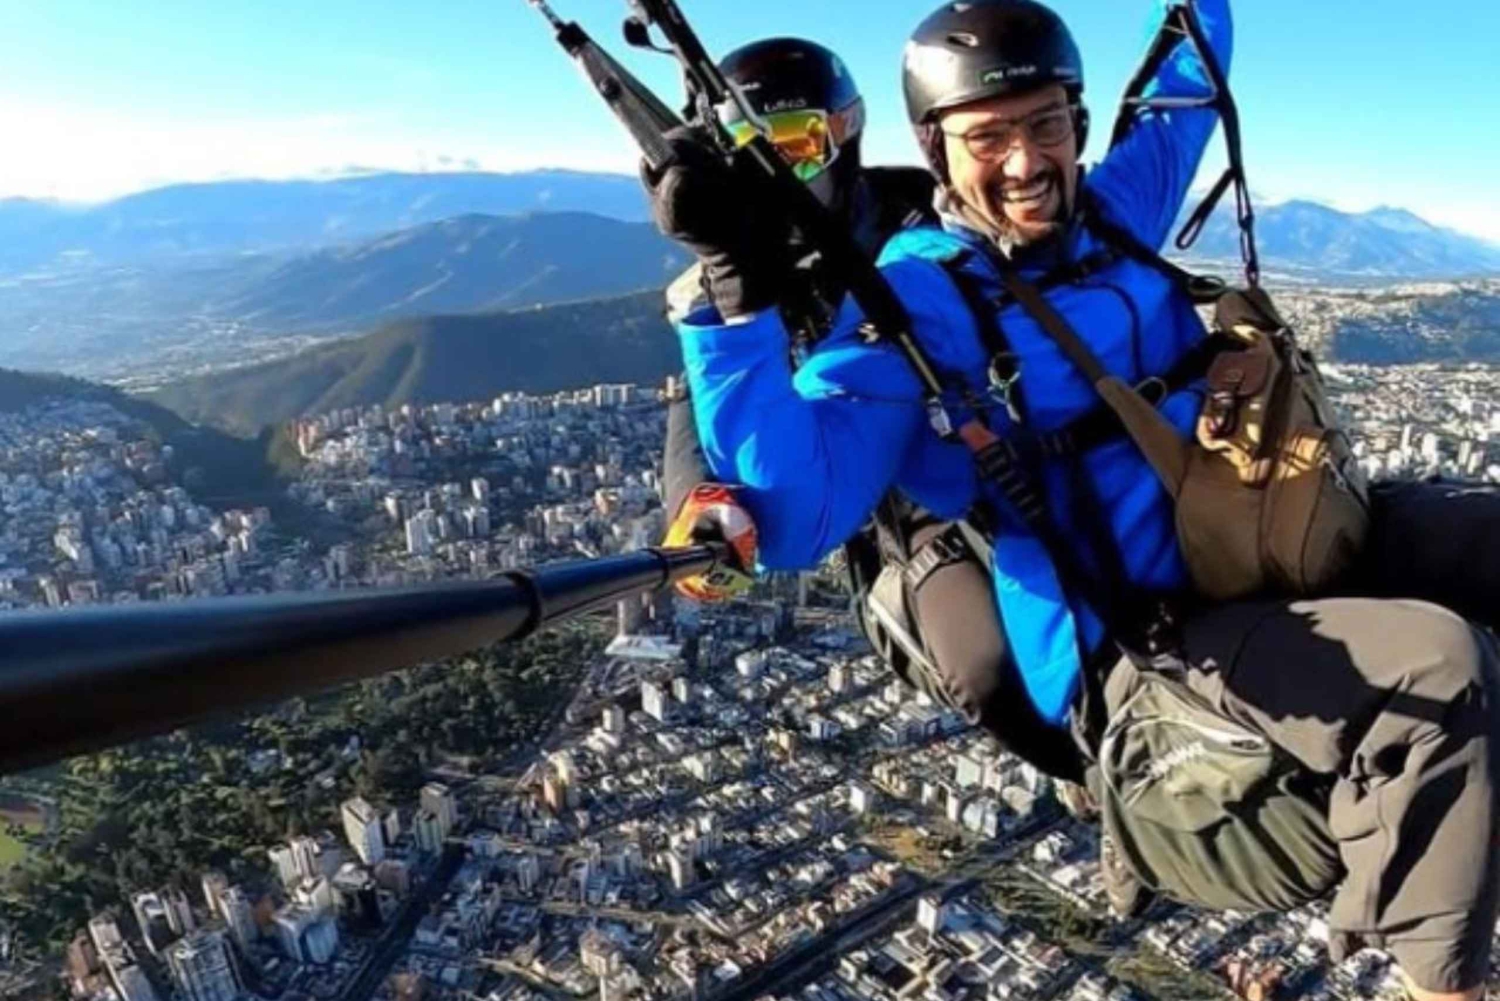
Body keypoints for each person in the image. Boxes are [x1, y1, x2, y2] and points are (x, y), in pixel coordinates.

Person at [642, 1, 1500, 998]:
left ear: (1078, 128)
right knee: (1436, 671)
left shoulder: (1113, 218)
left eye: (1045, 126)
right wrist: (732, 290)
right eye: (988, 138)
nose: (1023, 162)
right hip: (1142, 632)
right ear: (935, 149)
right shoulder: (918, 305)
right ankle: (1443, 985)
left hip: (1255, 535)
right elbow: (795, 515)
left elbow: (1183, 96)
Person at [658, 36, 938, 601]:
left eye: (794, 144)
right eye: (741, 156)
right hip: (889, 530)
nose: (771, 177)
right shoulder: (738, 278)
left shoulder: (931, 219)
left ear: (845, 133)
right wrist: (699, 513)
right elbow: (703, 396)